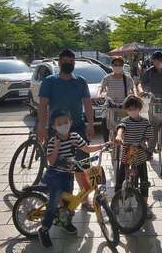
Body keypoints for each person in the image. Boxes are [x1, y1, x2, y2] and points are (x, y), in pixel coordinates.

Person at [37, 110, 107, 248]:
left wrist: (102, 146)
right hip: (55, 176)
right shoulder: (53, 141)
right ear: (54, 126)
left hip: (68, 175)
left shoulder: (74, 136)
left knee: (68, 203)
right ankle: (44, 229)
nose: (63, 125)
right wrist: (56, 148)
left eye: (65, 122)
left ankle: (66, 223)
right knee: (54, 202)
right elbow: (51, 161)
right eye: (59, 124)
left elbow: (86, 148)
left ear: (71, 122)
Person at [37, 49, 95, 210]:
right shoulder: (49, 81)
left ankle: (85, 199)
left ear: (74, 63)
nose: (68, 63)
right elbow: (42, 106)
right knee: (58, 165)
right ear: (59, 62)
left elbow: (87, 104)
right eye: (65, 61)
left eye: (71, 61)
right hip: (57, 131)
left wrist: (90, 124)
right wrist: (41, 127)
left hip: (77, 128)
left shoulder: (81, 81)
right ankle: (60, 199)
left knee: (82, 165)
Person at [114, 95, 153, 218]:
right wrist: (119, 136)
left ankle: (145, 206)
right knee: (120, 178)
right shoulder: (125, 121)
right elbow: (121, 128)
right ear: (126, 110)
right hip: (127, 153)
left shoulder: (145, 122)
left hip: (140, 155)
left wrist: (144, 142)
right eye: (130, 109)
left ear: (139, 108)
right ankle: (115, 202)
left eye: (135, 108)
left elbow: (148, 136)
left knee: (144, 180)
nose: (133, 111)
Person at [98, 56, 138, 142]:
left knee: (131, 122)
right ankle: (107, 143)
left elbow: (133, 87)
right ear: (112, 66)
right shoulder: (107, 78)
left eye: (120, 65)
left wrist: (135, 95)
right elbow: (101, 87)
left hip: (124, 105)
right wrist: (99, 94)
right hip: (110, 105)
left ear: (123, 66)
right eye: (115, 64)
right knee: (104, 120)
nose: (118, 66)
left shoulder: (127, 78)